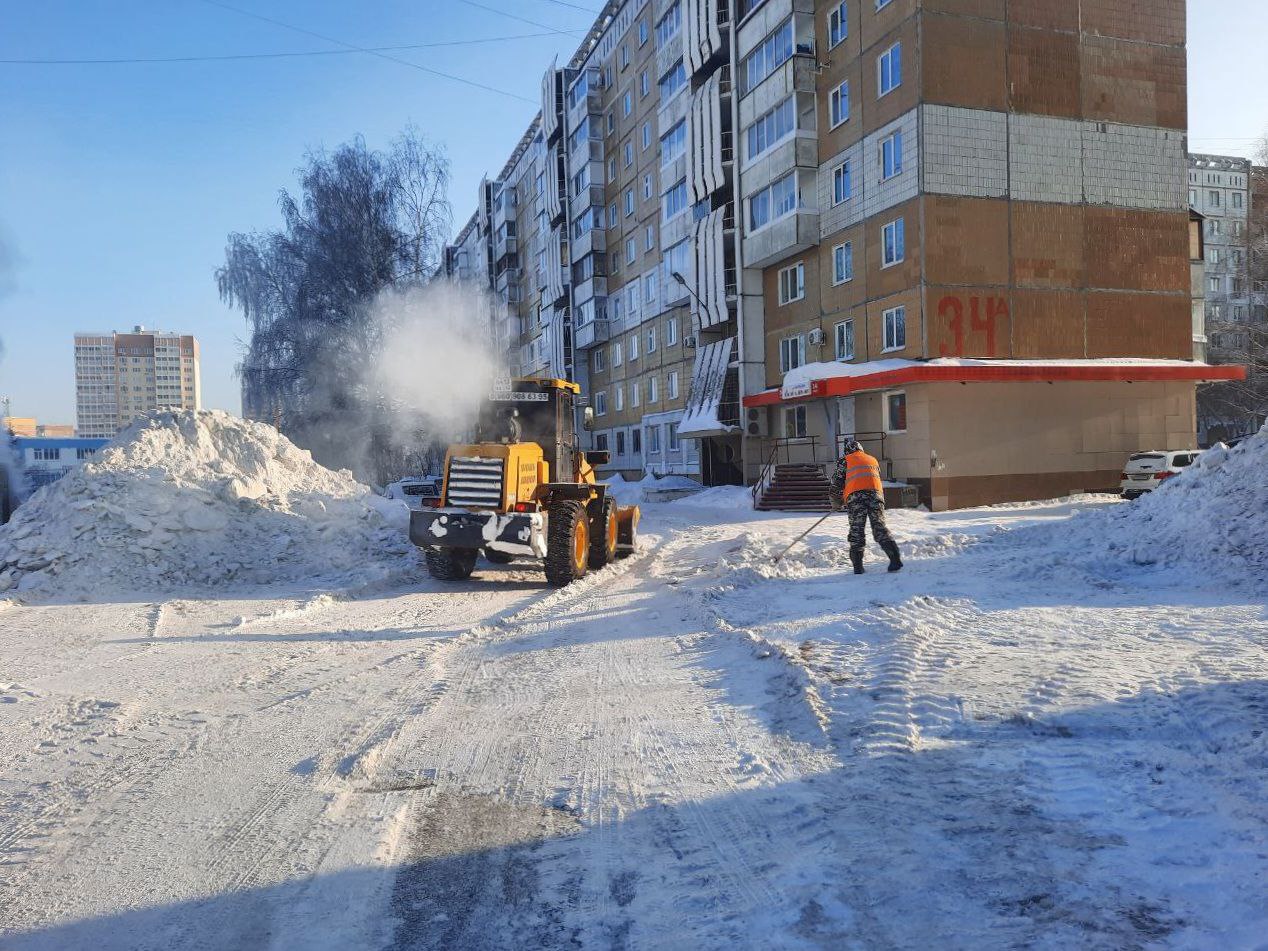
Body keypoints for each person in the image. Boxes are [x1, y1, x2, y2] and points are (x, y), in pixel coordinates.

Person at [829, 439, 903, 575]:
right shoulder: (872, 459)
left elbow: (836, 484)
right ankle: (895, 559)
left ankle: (858, 567)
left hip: (856, 498)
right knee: (879, 526)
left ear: (847, 451)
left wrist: (836, 503)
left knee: (857, 530)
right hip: (876, 496)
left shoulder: (845, 460)